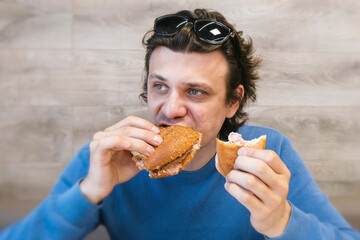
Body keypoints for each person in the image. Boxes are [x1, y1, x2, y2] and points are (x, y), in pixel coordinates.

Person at [0, 8, 359, 240]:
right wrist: (90, 190)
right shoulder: (107, 156)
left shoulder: (267, 153)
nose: (170, 109)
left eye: (196, 92)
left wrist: (282, 221)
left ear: (233, 101)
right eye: (160, 86)